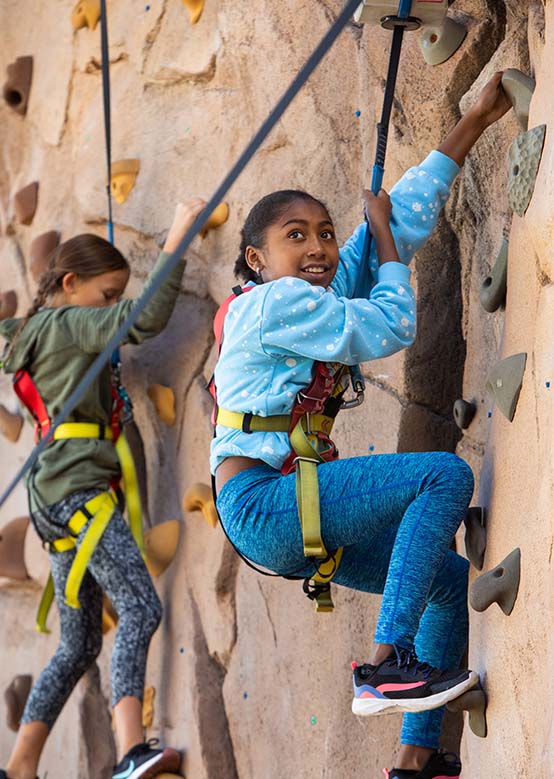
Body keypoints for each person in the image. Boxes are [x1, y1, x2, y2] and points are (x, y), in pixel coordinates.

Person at [210, 74, 511, 779]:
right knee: (443, 473)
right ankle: (385, 664)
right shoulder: (274, 302)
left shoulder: (306, 294)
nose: (316, 248)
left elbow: (399, 216)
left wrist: (473, 123)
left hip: (283, 518)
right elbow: (390, 323)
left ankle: (415, 756)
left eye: (321, 232)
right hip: (268, 503)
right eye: (295, 237)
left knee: (446, 582)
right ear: (257, 260)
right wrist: (375, 235)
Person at [0, 197, 206, 779]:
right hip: (80, 492)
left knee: (78, 643)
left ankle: (19, 765)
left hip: (51, 503)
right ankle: (130, 754)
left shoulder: (25, 333)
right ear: (69, 283)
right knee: (140, 607)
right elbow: (139, 321)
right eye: (104, 294)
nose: (109, 307)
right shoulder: (66, 324)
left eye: (115, 295)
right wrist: (178, 238)